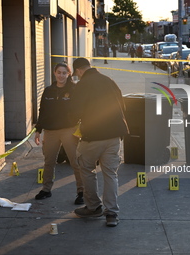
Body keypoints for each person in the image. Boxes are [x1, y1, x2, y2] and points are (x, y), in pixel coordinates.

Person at [70, 58, 129, 227]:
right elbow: (122, 106)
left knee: (86, 169)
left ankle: (93, 206)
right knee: (110, 173)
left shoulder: (82, 84)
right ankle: (111, 214)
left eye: (77, 74)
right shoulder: (109, 80)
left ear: (79, 71)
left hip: (92, 136)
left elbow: (75, 111)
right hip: (114, 137)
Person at [34, 62, 84, 205]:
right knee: (49, 161)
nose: (61, 75)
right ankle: (46, 189)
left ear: (69, 74)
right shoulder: (48, 90)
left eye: (64, 73)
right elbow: (42, 111)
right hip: (50, 131)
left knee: (75, 161)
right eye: (59, 72)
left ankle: (81, 191)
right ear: (54, 73)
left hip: (69, 130)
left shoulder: (74, 89)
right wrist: (38, 130)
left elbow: (81, 108)